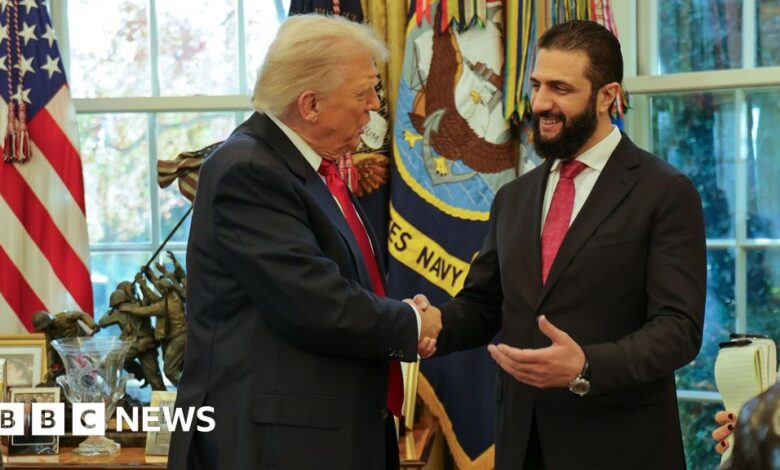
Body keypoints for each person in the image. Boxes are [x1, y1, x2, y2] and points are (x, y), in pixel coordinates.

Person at [413, 20, 707, 469]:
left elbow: (678, 330)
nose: (540, 104)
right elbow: (484, 305)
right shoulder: (514, 196)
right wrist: (435, 324)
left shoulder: (665, 191)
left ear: (607, 96)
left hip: (620, 449)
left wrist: (586, 365)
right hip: (521, 444)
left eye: (560, 88)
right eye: (536, 86)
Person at [166, 14, 440, 470]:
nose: (375, 105)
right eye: (364, 92)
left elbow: (344, 287)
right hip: (275, 448)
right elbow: (317, 303)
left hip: (324, 438)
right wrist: (412, 323)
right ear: (310, 104)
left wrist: (402, 319)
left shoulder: (311, 172)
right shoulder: (247, 171)